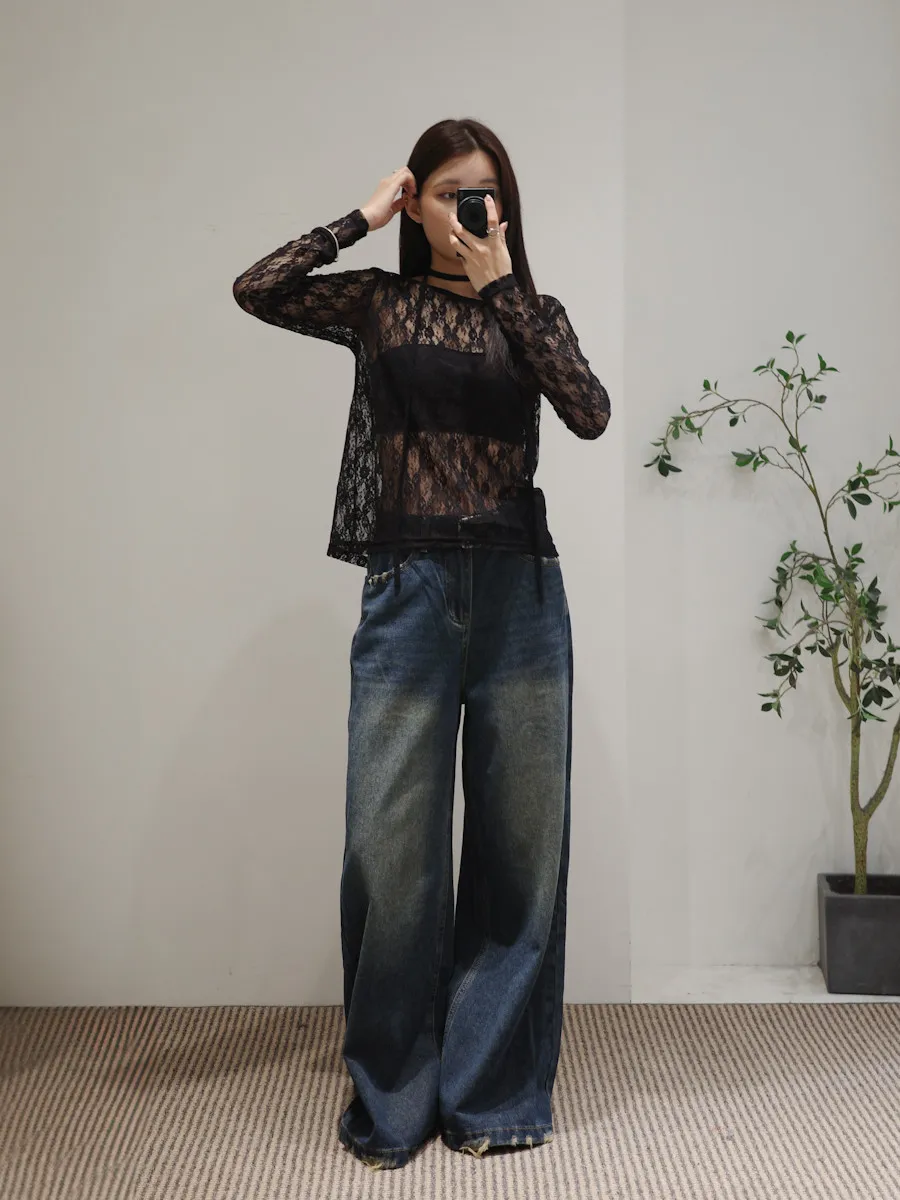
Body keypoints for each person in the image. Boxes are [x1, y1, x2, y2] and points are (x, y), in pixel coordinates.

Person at [232, 117, 611, 1170]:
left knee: (519, 854)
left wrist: (504, 290)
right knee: (389, 855)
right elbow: (257, 288)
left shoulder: (533, 314)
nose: (472, 210)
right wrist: (364, 215)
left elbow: (588, 412)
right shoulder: (380, 302)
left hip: (520, 595)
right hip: (410, 591)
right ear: (418, 200)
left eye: (488, 193)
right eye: (451, 192)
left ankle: (491, 1097)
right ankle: (393, 1102)